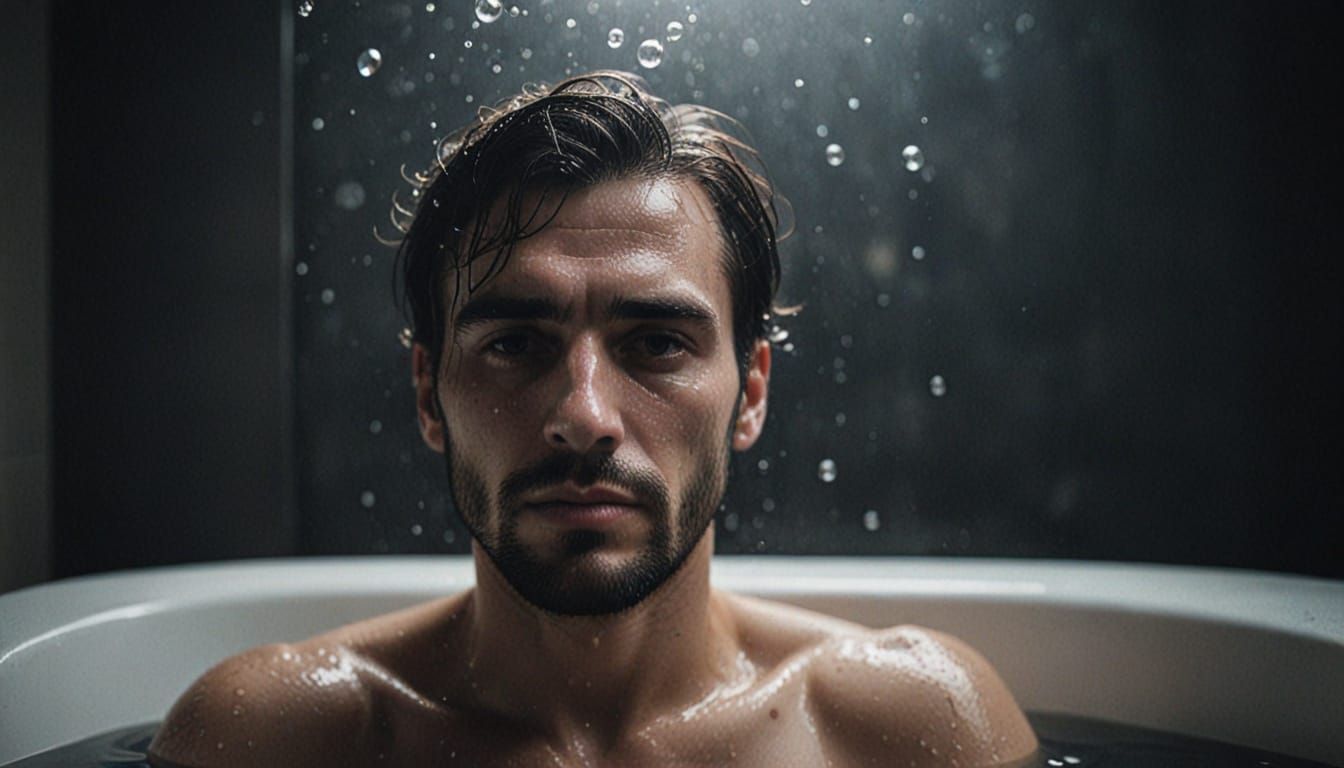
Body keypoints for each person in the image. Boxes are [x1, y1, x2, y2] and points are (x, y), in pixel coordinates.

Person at [148, 70, 1037, 768]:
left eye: (656, 343)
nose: (583, 415)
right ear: (428, 394)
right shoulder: (269, 736)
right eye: (514, 344)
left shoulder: (914, 727)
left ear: (751, 392)